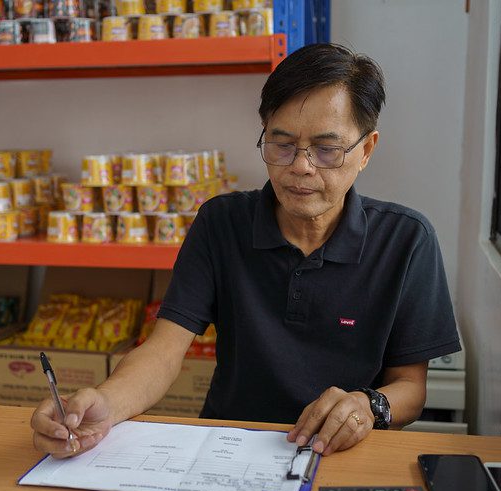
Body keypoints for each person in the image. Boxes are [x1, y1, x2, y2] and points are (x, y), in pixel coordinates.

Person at [31, 43, 460, 459]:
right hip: (227, 447)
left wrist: (368, 406)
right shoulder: (222, 223)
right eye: (282, 144)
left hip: (343, 453)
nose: (300, 166)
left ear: (365, 150)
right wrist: (105, 405)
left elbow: (410, 386)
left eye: (327, 149)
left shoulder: (406, 240)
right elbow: (163, 351)